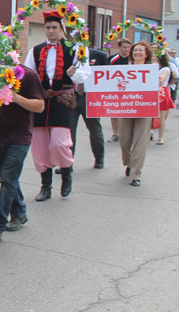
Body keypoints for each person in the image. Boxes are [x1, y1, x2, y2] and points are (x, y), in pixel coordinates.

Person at [24, 11, 91, 201]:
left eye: (54, 27)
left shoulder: (75, 49)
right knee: (39, 145)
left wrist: (73, 74)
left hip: (63, 100)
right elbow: (28, 73)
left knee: (59, 143)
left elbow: (84, 73)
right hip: (41, 101)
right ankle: (45, 186)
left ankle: (66, 173)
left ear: (61, 28)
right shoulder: (35, 50)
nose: (51, 31)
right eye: (47, 27)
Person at [0, 62, 45, 243]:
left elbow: (39, 106)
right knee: (8, 178)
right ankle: (19, 213)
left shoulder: (29, 75)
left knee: (8, 179)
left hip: (20, 136)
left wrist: (16, 98)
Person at [118, 41, 154, 186]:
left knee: (141, 141)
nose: (137, 52)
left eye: (140, 50)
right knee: (124, 140)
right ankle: (129, 162)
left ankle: (136, 174)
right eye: (135, 50)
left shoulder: (152, 70)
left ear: (146, 54)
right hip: (126, 107)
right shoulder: (124, 69)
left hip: (145, 108)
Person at [69, 49, 108, 170]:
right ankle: (67, 162)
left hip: (90, 98)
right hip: (71, 96)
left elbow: (106, 76)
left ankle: (99, 158)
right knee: (69, 131)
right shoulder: (68, 53)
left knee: (95, 129)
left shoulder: (98, 55)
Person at [107, 38, 132, 143]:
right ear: (119, 47)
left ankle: (127, 133)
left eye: (128, 47)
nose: (127, 49)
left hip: (130, 90)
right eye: (124, 47)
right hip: (115, 89)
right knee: (114, 112)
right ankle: (115, 133)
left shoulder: (132, 60)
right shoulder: (112, 59)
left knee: (128, 112)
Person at [156, 53, 176, 145]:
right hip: (151, 92)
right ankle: (150, 133)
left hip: (161, 92)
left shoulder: (166, 69)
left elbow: (161, 80)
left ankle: (161, 137)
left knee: (161, 117)